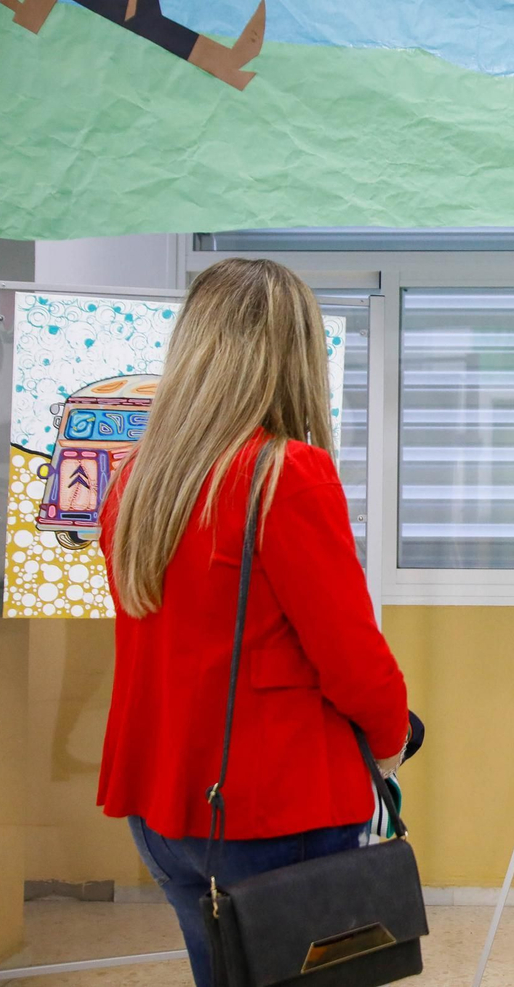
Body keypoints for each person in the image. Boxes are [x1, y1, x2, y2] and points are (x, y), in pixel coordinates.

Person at [98, 258, 409, 987]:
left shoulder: (138, 478)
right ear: (294, 355)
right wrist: (392, 739)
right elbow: (352, 658)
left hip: (168, 809)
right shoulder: (284, 473)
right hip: (275, 808)